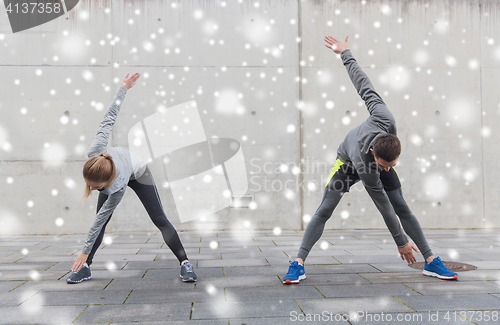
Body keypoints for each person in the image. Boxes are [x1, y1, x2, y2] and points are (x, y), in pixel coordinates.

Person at [283, 36, 458, 284]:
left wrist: (346, 53)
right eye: (385, 166)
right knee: (324, 210)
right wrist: (401, 242)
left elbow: (363, 84)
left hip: (372, 159)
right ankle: (298, 263)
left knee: (403, 206)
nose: (388, 169)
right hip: (347, 164)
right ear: (375, 154)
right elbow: (382, 205)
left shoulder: (384, 118)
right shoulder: (367, 166)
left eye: (392, 165)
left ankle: (431, 261)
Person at [66, 73, 197, 283]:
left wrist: (83, 250)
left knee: (159, 218)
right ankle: (86, 268)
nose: (91, 189)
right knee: (102, 221)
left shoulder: (115, 189)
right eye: (89, 184)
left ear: (107, 183)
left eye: (96, 187)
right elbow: (109, 117)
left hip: (138, 171)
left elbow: (97, 222)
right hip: (115, 168)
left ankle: (185, 263)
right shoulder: (95, 149)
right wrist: (123, 88)